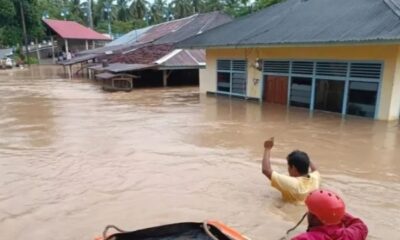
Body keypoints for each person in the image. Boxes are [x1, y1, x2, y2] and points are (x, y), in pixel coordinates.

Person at [292, 189, 368, 240]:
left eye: (309, 211)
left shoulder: (304, 238)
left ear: (314, 217)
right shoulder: (349, 235)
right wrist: (336, 213)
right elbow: (361, 226)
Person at [261, 137, 320, 203]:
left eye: (288, 166)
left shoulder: (292, 184)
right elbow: (315, 170)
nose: (288, 169)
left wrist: (267, 148)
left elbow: (266, 170)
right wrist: (302, 156)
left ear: (293, 168)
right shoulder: (315, 178)